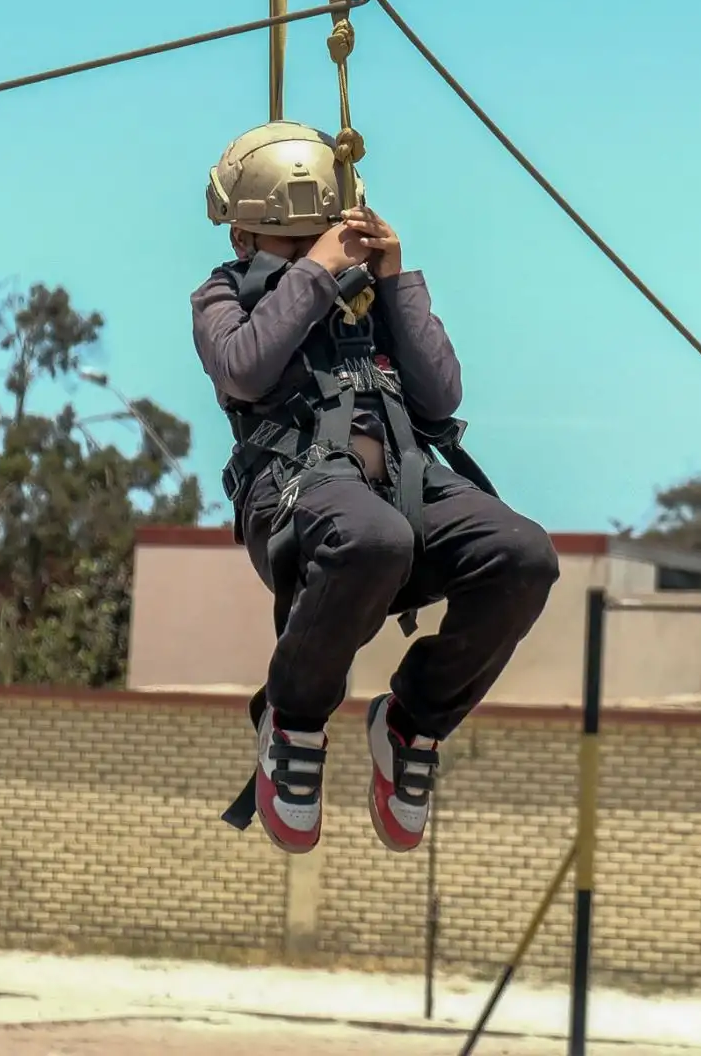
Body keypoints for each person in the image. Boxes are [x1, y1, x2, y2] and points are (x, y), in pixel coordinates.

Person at [191, 120, 560, 857]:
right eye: (294, 246)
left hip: (401, 485)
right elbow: (246, 367)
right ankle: (292, 719)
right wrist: (314, 275)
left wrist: (395, 283)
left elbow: (439, 397)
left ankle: (413, 724)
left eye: (326, 237)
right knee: (372, 538)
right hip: (296, 496)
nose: (319, 254)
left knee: (523, 554)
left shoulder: (365, 299)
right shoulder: (221, 298)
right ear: (242, 240)